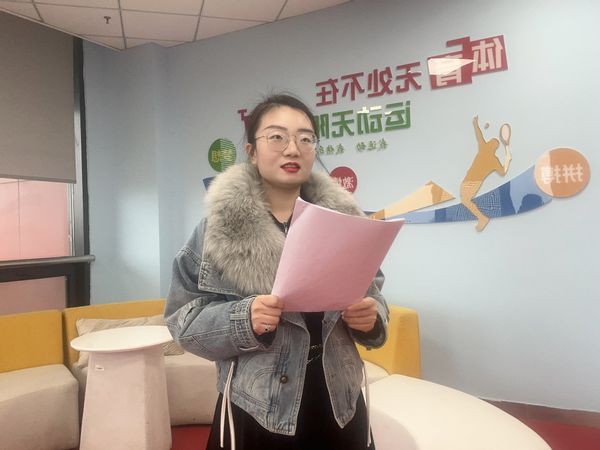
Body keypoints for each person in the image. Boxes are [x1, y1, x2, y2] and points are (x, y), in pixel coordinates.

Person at [164, 93, 389, 450]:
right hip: (257, 407)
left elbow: (373, 294)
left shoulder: (346, 222)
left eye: (305, 138)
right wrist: (243, 318)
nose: (293, 149)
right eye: (277, 137)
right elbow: (183, 322)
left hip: (339, 402)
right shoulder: (215, 231)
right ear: (252, 151)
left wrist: (371, 318)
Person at [460, 115, 512, 232]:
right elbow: (479, 135)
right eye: (491, 141)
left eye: (492, 142)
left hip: (474, 181)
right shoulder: (488, 154)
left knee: (465, 200)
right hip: (469, 178)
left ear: (493, 147)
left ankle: (482, 218)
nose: (489, 142)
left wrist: (507, 160)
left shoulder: (487, 153)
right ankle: (482, 218)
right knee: (464, 199)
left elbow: (503, 172)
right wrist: (475, 124)